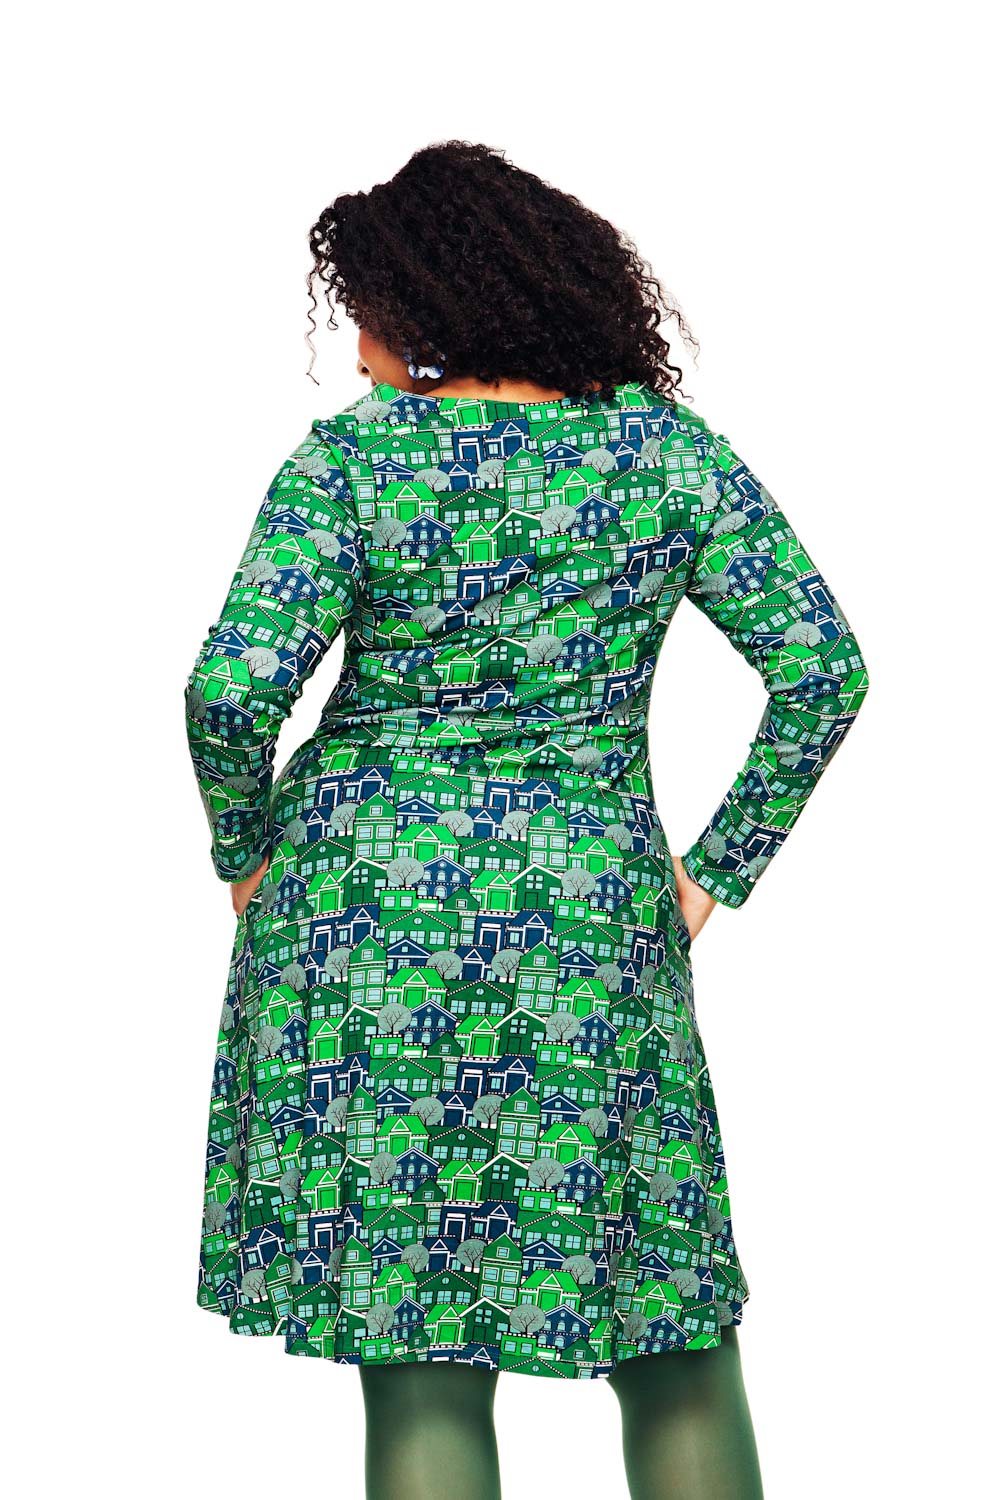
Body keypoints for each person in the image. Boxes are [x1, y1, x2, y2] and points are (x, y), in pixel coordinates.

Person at [184, 140, 869, 1500]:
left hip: (362, 923)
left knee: (420, 1348)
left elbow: (228, 693)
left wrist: (245, 851)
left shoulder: (354, 463)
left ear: (428, 302)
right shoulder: (667, 459)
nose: (360, 347)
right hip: (584, 912)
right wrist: (713, 870)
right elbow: (824, 669)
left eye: (367, 309)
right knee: (667, 1321)